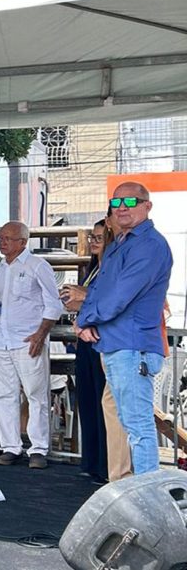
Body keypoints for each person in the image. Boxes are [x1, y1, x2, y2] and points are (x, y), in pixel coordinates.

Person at [77, 182, 173, 476]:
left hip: (133, 347)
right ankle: (127, 484)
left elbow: (119, 295)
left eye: (130, 201)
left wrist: (85, 319)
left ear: (147, 206)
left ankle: (146, 494)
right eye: (116, 201)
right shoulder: (121, 244)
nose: (121, 207)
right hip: (115, 345)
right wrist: (85, 319)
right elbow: (100, 290)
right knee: (127, 423)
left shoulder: (150, 245)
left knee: (138, 427)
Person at [0, 221, 64, 469]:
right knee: (2, 394)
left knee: (36, 395)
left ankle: (38, 449)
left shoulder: (38, 266)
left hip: (28, 339)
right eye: (0, 238)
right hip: (1, 338)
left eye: (8, 238)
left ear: (23, 242)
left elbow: (54, 304)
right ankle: (10, 446)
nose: (2, 242)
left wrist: (40, 335)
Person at [60, 219, 113, 482]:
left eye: (99, 238)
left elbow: (108, 302)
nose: (94, 242)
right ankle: (91, 461)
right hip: (84, 340)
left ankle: (106, 465)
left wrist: (83, 300)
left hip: (103, 339)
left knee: (105, 406)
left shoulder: (112, 271)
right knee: (88, 402)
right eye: (92, 237)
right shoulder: (92, 269)